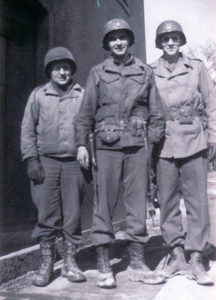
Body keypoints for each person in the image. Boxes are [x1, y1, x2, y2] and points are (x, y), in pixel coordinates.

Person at [75, 18, 166, 288]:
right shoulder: (97, 72)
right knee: (103, 204)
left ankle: (137, 263)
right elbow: (85, 114)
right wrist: (81, 144)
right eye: (113, 38)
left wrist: (149, 140)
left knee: (138, 204)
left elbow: (157, 114)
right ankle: (104, 264)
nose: (118, 42)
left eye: (123, 37)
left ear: (129, 41)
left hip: (137, 147)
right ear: (107, 44)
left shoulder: (144, 71)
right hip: (105, 147)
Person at [150, 20, 216, 285]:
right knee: (166, 202)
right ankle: (176, 254)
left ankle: (196, 256)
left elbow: (211, 105)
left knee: (197, 201)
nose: (170, 42)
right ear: (159, 43)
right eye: (165, 39)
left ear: (181, 41)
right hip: (164, 144)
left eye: (175, 38)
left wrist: (213, 137)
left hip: (194, 141)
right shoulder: (150, 70)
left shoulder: (196, 67)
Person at [21, 47, 88, 287]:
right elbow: (28, 130)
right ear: (49, 71)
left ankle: (70, 264)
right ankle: (46, 265)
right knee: (46, 215)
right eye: (56, 68)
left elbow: (88, 126)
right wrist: (31, 159)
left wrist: (86, 152)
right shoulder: (38, 96)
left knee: (72, 215)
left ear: (72, 70)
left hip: (74, 165)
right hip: (45, 164)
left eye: (66, 67)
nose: (62, 72)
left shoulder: (82, 94)